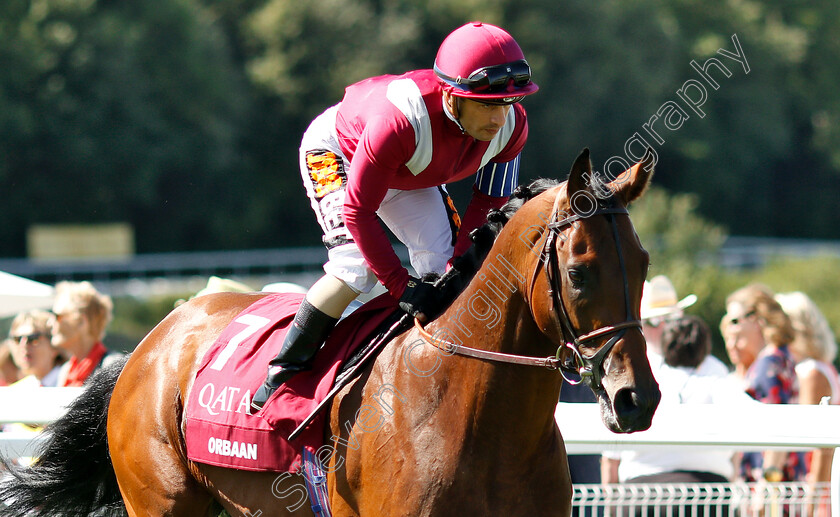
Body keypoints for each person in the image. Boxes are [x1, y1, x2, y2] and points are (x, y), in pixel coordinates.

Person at [251, 21, 539, 410]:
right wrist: (402, 287)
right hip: (340, 153)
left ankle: (428, 372)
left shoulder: (512, 127)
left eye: (507, 103)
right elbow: (357, 210)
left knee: (446, 268)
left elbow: (485, 209)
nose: (499, 118)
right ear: (451, 96)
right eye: (487, 104)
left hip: (407, 168)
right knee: (355, 267)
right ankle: (284, 370)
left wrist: (455, 267)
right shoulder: (400, 121)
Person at [602, 317, 752, 492]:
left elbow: (611, 457)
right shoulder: (718, 376)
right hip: (707, 491)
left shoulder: (643, 379)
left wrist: (611, 505)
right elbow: (745, 421)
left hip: (641, 491)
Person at [721, 283, 804, 483]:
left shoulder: (769, 363)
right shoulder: (778, 357)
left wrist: (767, 488)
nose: (730, 329)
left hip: (771, 484)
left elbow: (778, 428)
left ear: (756, 320)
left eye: (734, 320)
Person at [775, 291, 839, 516]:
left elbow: (819, 445)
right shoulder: (816, 367)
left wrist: (811, 504)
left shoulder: (811, 372)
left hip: (812, 488)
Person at [50, 281, 124, 387]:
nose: (50, 322)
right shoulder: (65, 371)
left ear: (81, 322)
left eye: (57, 316)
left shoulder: (113, 368)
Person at [6, 309, 65, 387]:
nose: (23, 345)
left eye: (32, 339)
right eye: (17, 339)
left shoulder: (72, 381)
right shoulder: (16, 390)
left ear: (54, 345)